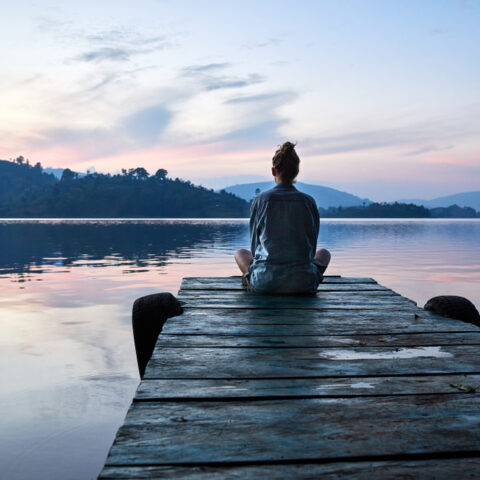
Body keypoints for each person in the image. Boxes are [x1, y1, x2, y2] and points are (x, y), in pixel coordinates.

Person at [234, 141, 331, 294]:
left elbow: (254, 247)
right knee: (324, 253)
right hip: (303, 283)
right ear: (297, 171)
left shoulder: (260, 200)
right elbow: (311, 249)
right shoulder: (308, 201)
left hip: (265, 283)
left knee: (241, 253)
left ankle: (250, 278)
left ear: (273, 171)